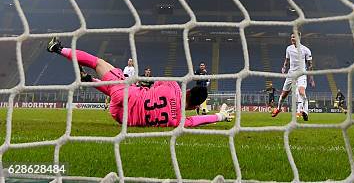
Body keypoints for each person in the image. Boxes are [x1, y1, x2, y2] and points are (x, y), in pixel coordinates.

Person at [47, 37, 233, 127]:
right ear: (193, 107)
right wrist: (220, 116)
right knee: (126, 92)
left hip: (124, 95)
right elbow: (197, 121)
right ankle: (89, 80)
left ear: (189, 92)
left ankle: (58, 49)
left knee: (98, 63)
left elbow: (155, 85)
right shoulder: (179, 121)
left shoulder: (173, 86)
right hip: (123, 118)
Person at [271, 32, 315, 121]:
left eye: (294, 37)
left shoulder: (306, 50)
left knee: (301, 92)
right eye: (291, 37)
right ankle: (278, 109)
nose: (292, 39)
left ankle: (305, 112)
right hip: (291, 74)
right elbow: (287, 60)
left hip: (301, 75)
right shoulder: (289, 49)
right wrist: (284, 67)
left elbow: (310, 65)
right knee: (284, 95)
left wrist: (311, 78)